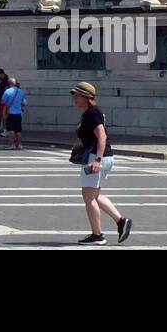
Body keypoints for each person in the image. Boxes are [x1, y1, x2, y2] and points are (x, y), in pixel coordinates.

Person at [70, 81, 131, 245]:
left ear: (86, 97)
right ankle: (121, 221)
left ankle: (97, 236)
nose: (74, 98)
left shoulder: (93, 113)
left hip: (96, 158)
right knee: (95, 195)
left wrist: (97, 160)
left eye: (77, 95)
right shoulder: (89, 113)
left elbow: (102, 137)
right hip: (102, 157)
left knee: (88, 196)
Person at [0, 76, 28, 149]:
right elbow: (25, 102)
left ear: (9, 83)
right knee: (18, 130)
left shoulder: (7, 91)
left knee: (11, 130)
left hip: (10, 113)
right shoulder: (21, 92)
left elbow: (2, 101)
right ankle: (19, 144)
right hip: (18, 113)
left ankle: (11, 144)